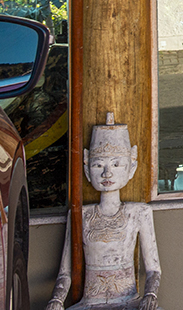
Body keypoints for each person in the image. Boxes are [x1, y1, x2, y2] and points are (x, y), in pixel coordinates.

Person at [46, 113, 161, 310]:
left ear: (131, 167)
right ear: (87, 169)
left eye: (116, 164)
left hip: (128, 302)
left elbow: (154, 269)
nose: (107, 173)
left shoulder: (139, 213)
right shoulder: (80, 215)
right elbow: (65, 273)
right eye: (98, 165)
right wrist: (56, 300)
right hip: (89, 303)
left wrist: (150, 295)